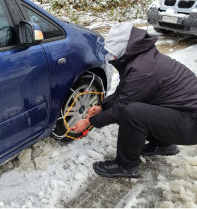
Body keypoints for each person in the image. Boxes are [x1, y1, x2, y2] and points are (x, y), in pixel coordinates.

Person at [72, 22, 197, 178]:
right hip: (183, 114)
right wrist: (102, 107)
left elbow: (121, 109)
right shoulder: (140, 58)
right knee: (138, 107)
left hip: (191, 123)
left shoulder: (143, 69)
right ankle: (163, 144)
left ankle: (126, 166)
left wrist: (90, 121)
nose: (113, 56)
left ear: (124, 48)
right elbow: (123, 91)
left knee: (133, 113)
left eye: (114, 52)